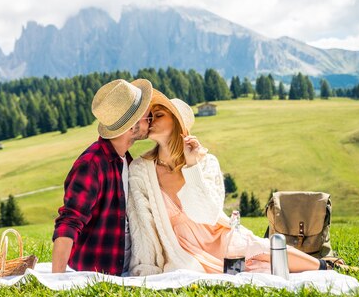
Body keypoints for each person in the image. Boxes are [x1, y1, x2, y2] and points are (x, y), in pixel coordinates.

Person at [127, 92, 327, 276]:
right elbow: (143, 226)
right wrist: (145, 267)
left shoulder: (205, 162)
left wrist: (191, 166)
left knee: (259, 249)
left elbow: (206, 214)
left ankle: (327, 265)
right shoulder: (141, 170)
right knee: (244, 271)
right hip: (180, 249)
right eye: (150, 115)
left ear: (178, 123)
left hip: (217, 236)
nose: (151, 120)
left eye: (159, 115)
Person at [52, 78, 154, 275]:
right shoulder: (92, 165)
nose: (150, 120)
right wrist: (57, 281)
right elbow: (68, 223)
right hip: (95, 273)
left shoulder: (126, 160)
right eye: (146, 117)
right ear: (132, 127)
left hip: (123, 271)